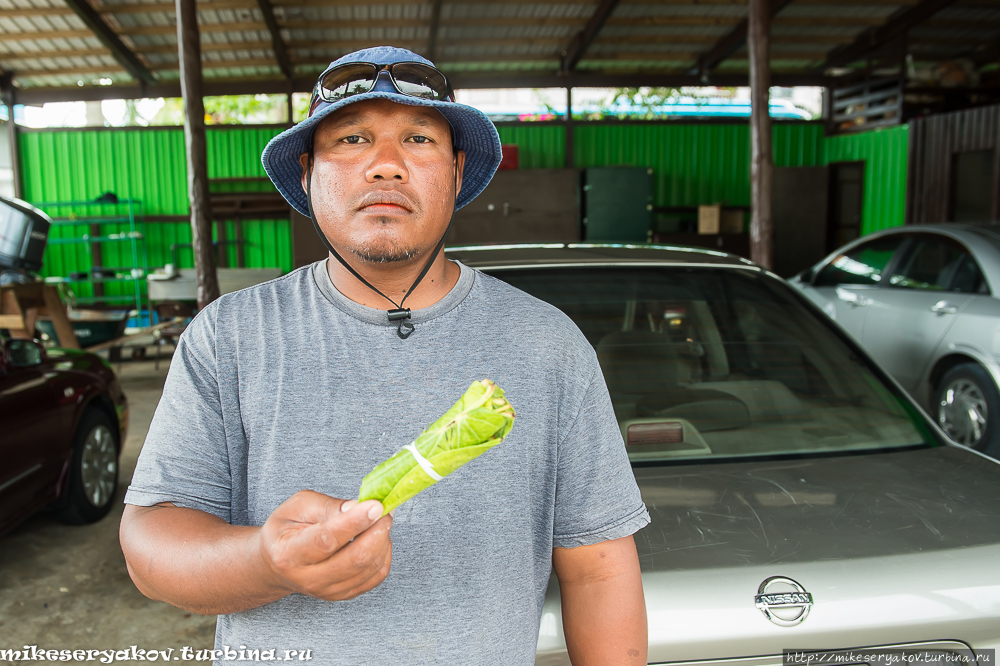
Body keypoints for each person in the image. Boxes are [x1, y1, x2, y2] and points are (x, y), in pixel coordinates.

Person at [120, 46, 650, 665]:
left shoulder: (547, 344)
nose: (386, 166)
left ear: (455, 171)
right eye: (351, 139)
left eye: (419, 138)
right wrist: (268, 562)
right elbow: (151, 549)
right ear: (306, 172)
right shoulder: (228, 338)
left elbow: (599, 570)